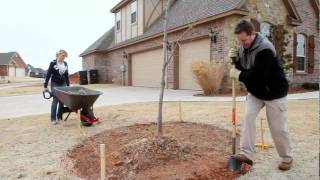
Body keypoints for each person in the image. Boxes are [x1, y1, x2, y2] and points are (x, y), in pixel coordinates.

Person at [228, 20, 293, 171]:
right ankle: (246, 154)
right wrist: (236, 61)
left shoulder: (265, 49)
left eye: (244, 40)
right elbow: (244, 68)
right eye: (239, 40)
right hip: (256, 92)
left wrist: (238, 75)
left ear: (252, 34)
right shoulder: (244, 46)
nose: (242, 43)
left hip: (274, 92)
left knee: (278, 128)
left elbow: (257, 75)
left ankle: (286, 157)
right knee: (248, 118)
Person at [44, 49, 70, 125]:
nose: (63, 58)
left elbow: (66, 75)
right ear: (58, 55)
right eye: (62, 56)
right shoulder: (53, 63)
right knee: (55, 100)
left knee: (62, 101)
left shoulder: (65, 63)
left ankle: (59, 116)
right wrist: (45, 86)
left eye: (64, 56)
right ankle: (53, 119)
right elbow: (48, 74)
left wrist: (68, 85)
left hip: (63, 83)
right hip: (55, 83)